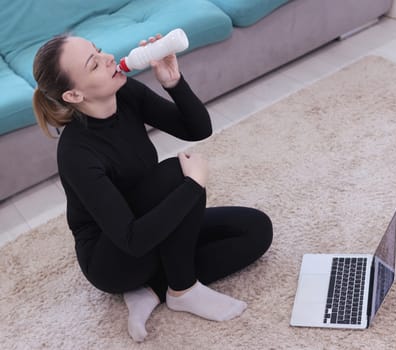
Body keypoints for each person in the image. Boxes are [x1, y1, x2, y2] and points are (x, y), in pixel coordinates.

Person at [32, 33, 273, 342]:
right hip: (114, 258)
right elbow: (131, 239)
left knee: (255, 230)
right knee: (176, 172)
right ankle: (183, 289)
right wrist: (192, 185)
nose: (108, 58)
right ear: (74, 96)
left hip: (153, 227)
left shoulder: (126, 92)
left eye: (100, 49)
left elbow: (198, 128)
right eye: (94, 64)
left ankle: (154, 290)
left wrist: (173, 82)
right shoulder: (76, 154)